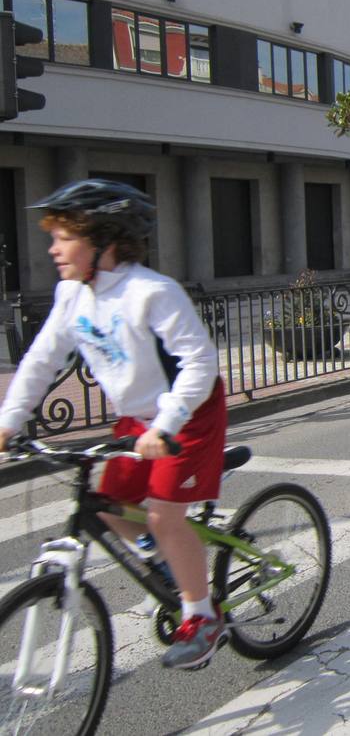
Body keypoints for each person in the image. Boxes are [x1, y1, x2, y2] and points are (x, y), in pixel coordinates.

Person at [0, 179, 228, 670]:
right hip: (138, 419)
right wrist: (7, 422)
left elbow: (199, 362)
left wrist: (166, 425)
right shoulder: (72, 297)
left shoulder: (151, 292)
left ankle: (202, 618)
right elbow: (41, 361)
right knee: (106, 508)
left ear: (101, 239)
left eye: (64, 237)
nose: (52, 248)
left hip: (186, 415)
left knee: (166, 515)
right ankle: (169, 557)